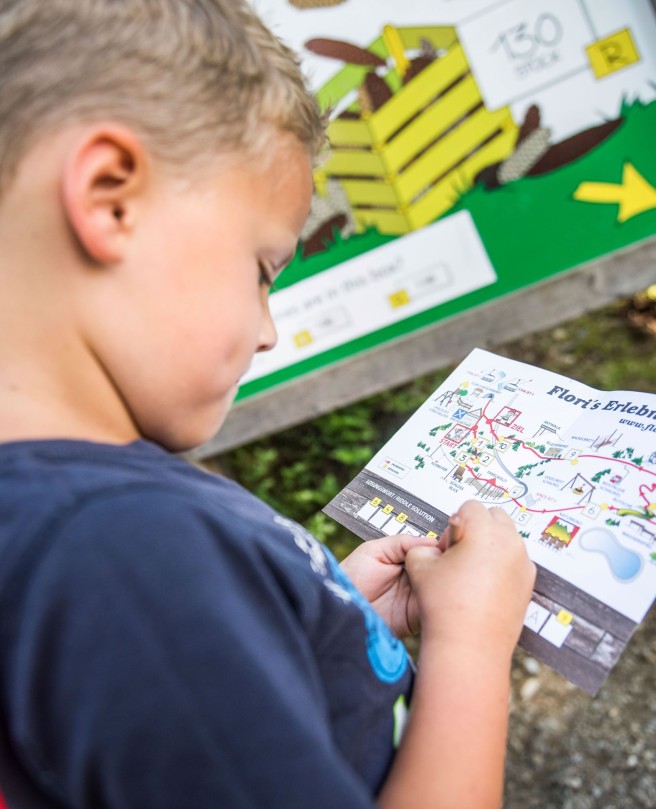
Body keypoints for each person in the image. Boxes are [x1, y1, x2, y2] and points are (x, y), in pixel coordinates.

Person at [0, 1, 536, 807]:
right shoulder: (123, 555)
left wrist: (315, 619)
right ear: (111, 198)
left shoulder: (67, 513)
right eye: (262, 269)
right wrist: (472, 643)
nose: (267, 332)